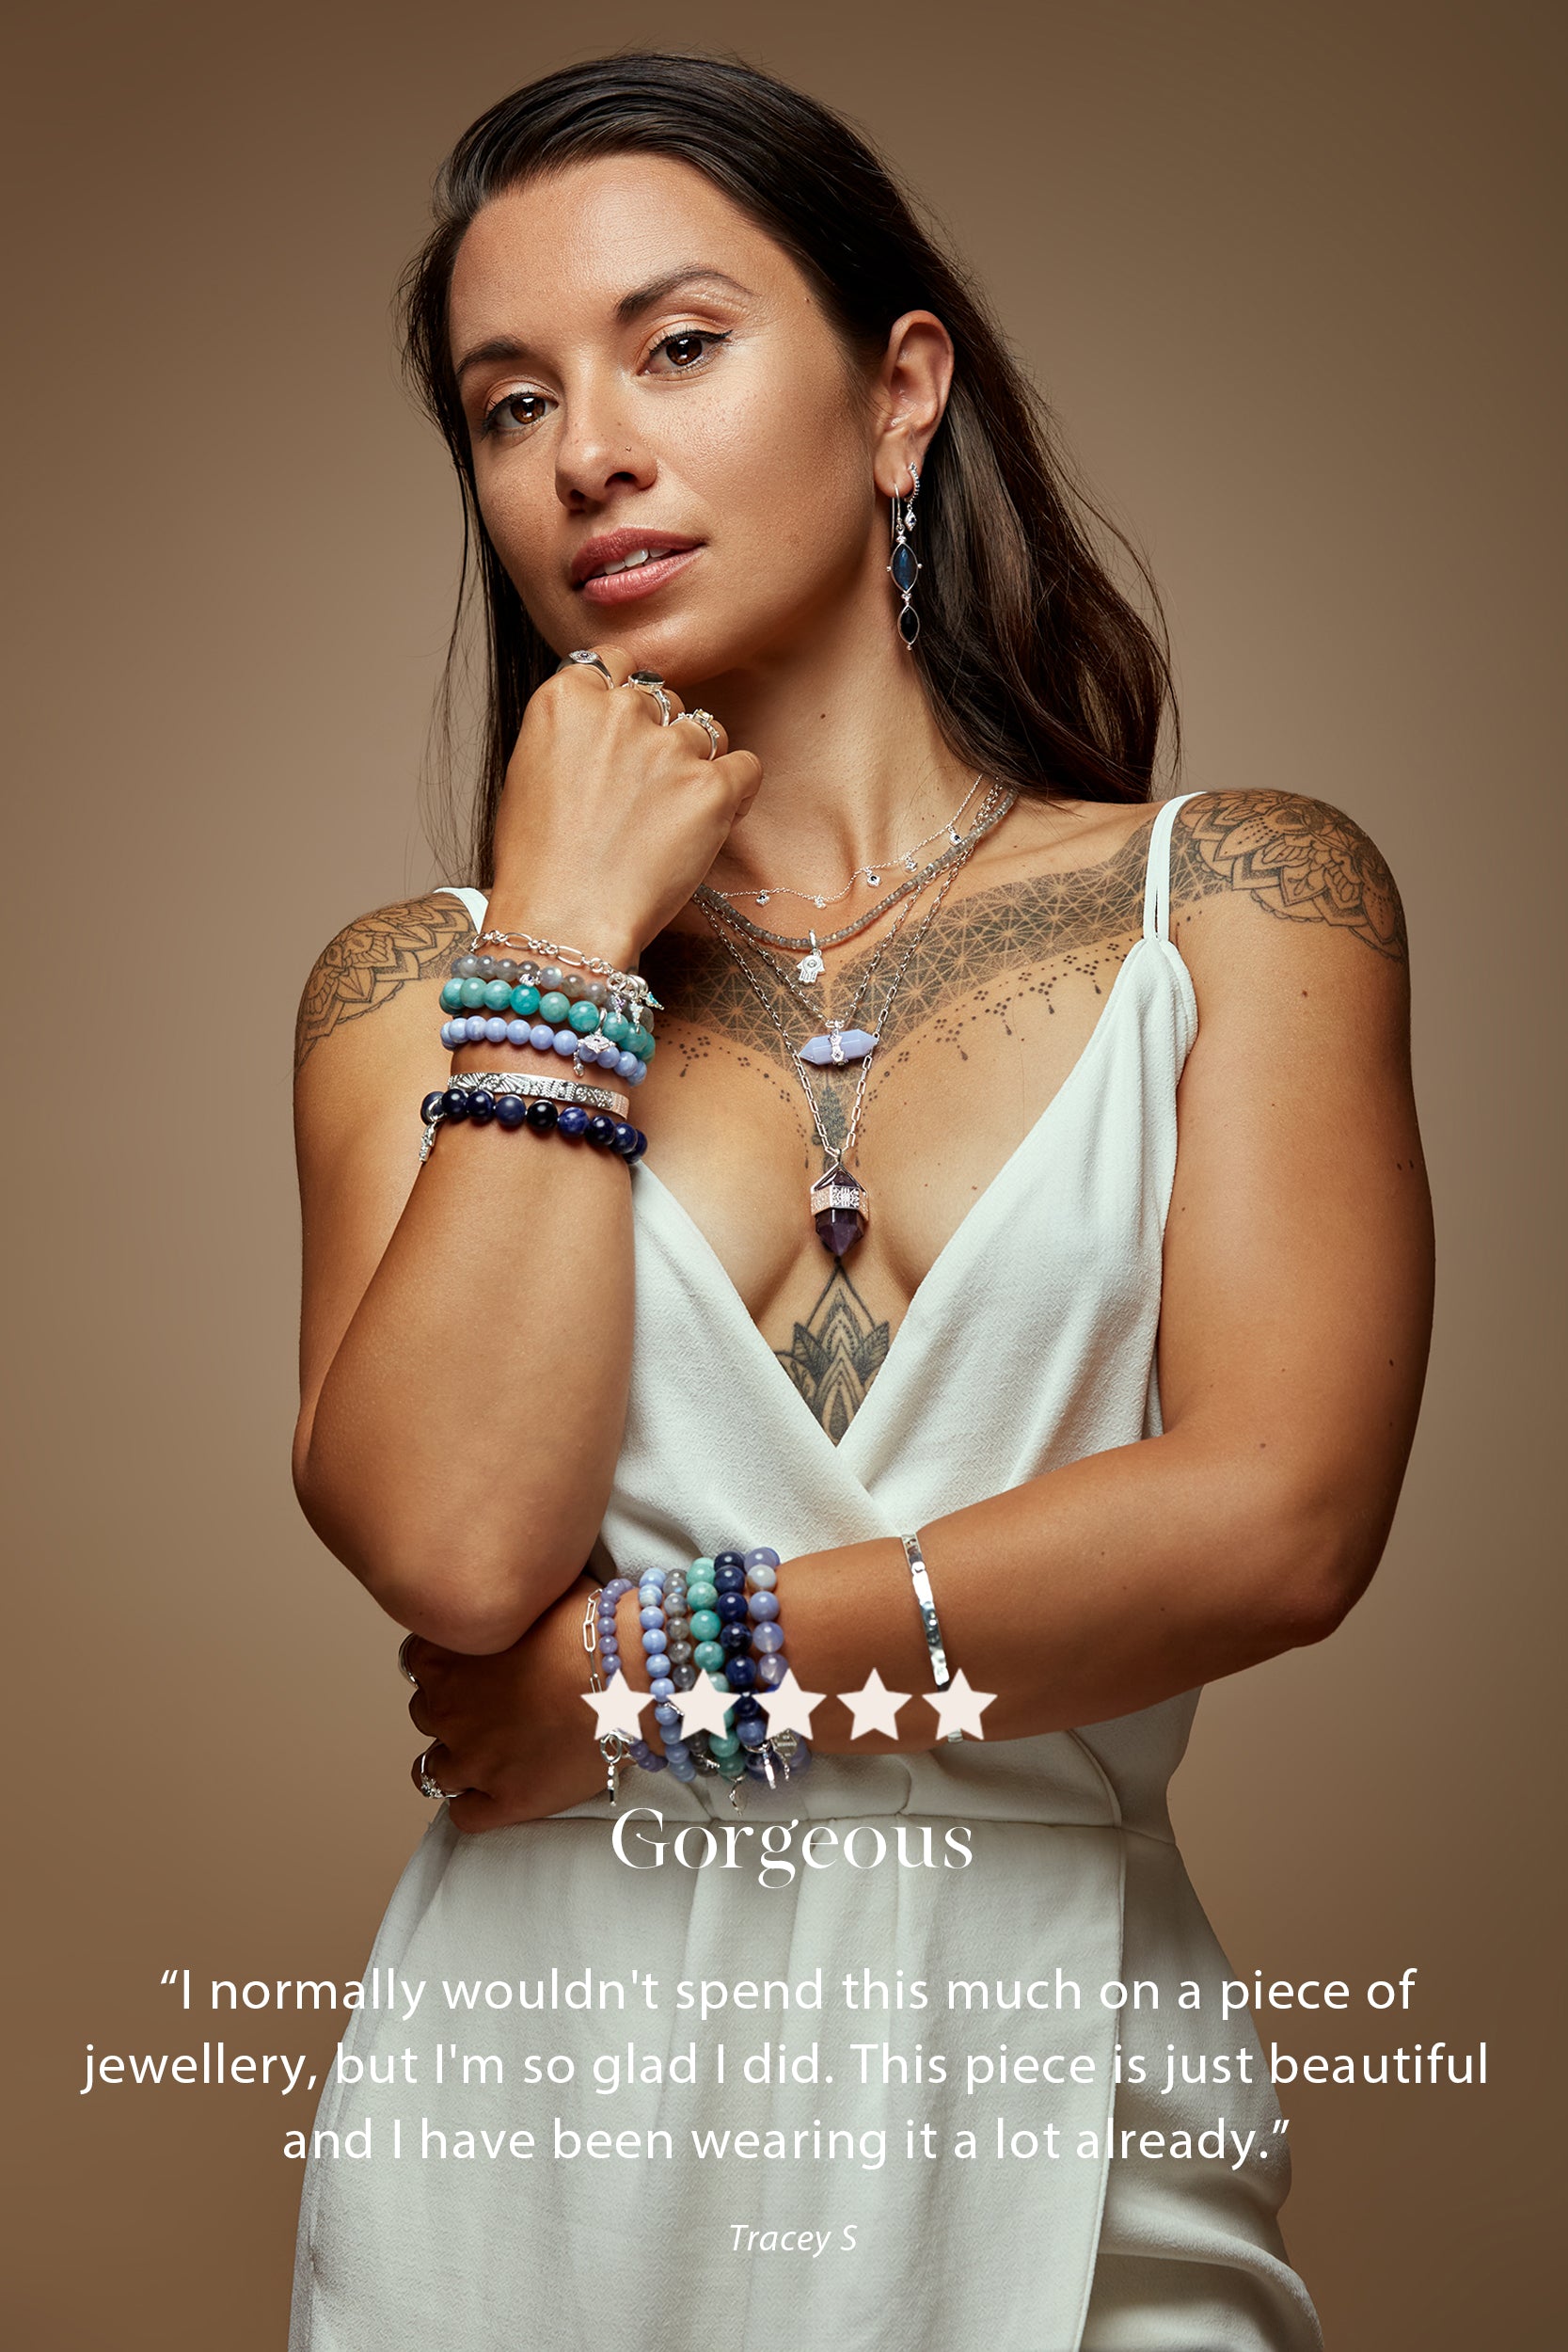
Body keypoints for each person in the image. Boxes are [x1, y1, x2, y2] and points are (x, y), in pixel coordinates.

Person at [286, 52, 1432, 2352]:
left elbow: (1280, 1518)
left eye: (675, 345)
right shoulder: (419, 988)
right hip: (533, 2116)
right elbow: (447, 1541)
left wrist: (630, 1683)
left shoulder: (1244, 904)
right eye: (510, 406)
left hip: (1052, 2068)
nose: (588, 444)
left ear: (901, 392)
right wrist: (566, 953)